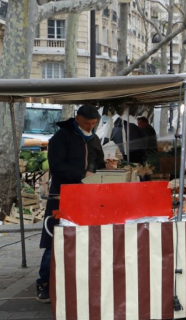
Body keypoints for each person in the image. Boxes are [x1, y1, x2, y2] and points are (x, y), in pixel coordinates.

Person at [36, 105, 116, 303]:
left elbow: (96, 164)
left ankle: (79, 279)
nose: (91, 127)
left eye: (94, 124)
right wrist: (82, 175)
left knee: (87, 237)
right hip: (62, 195)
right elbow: (56, 166)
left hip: (88, 195)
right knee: (55, 238)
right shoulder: (61, 138)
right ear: (77, 118)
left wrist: (105, 166)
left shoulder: (94, 138)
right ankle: (44, 282)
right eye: (88, 123)